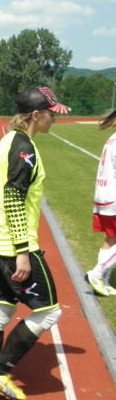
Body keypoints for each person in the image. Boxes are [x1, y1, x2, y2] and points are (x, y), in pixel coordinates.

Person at [0, 87, 69, 400]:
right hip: (12, 244)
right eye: (51, 113)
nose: (54, 118)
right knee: (49, 313)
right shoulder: (23, 147)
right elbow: (14, 199)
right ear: (35, 115)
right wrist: (24, 251)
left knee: (2, 309)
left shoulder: (9, 139)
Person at [85, 110, 116, 296]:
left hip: (105, 194)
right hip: (113, 195)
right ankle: (96, 273)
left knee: (111, 238)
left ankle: (103, 279)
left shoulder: (112, 138)